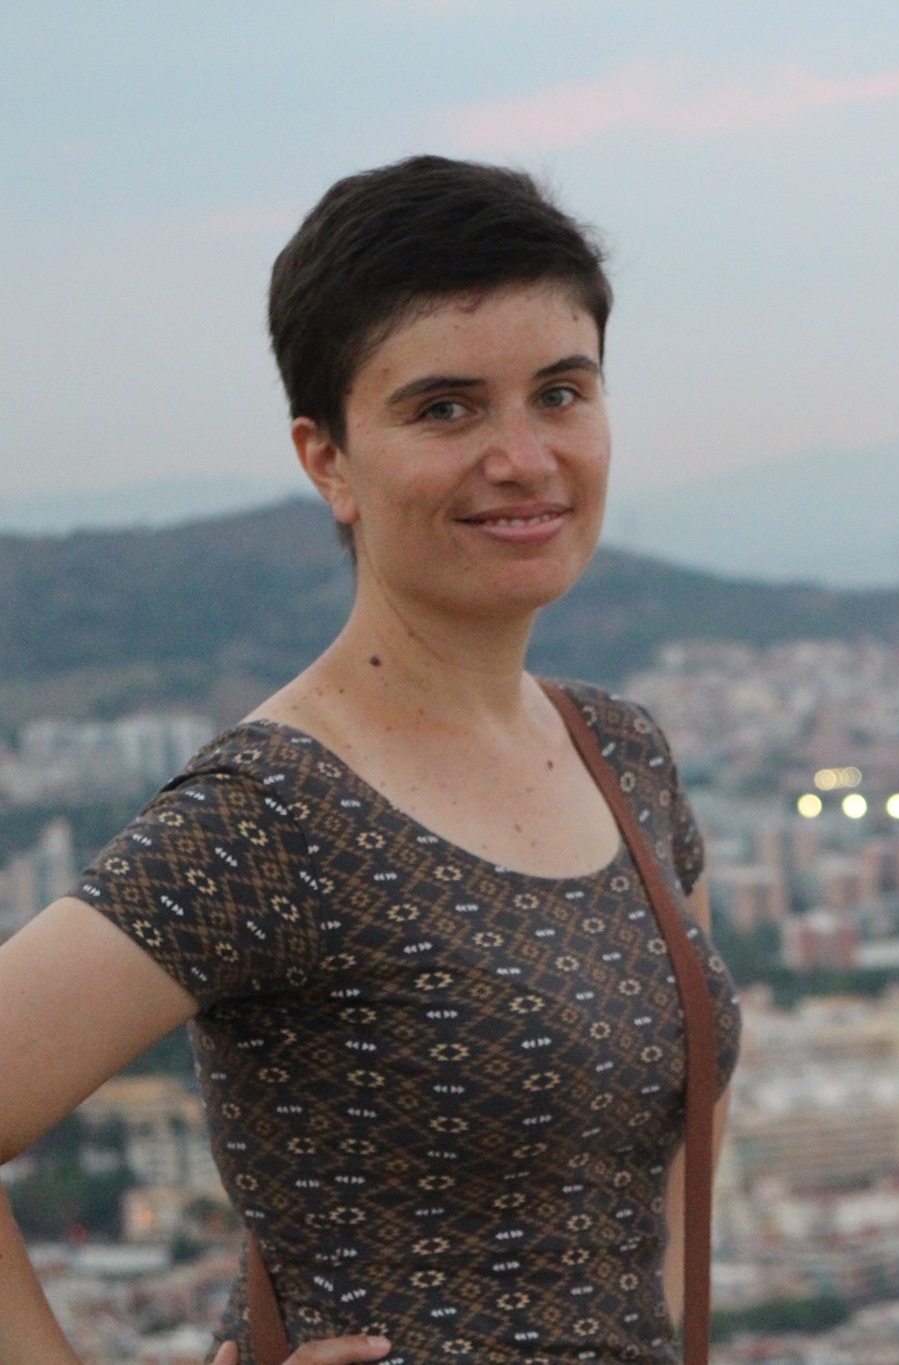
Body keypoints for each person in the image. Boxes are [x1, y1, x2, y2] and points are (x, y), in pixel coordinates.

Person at [0, 156, 741, 1365]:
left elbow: (658, 1179)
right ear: (328, 460)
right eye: (445, 409)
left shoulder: (624, 756)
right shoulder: (271, 814)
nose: (524, 457)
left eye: (560, 393)